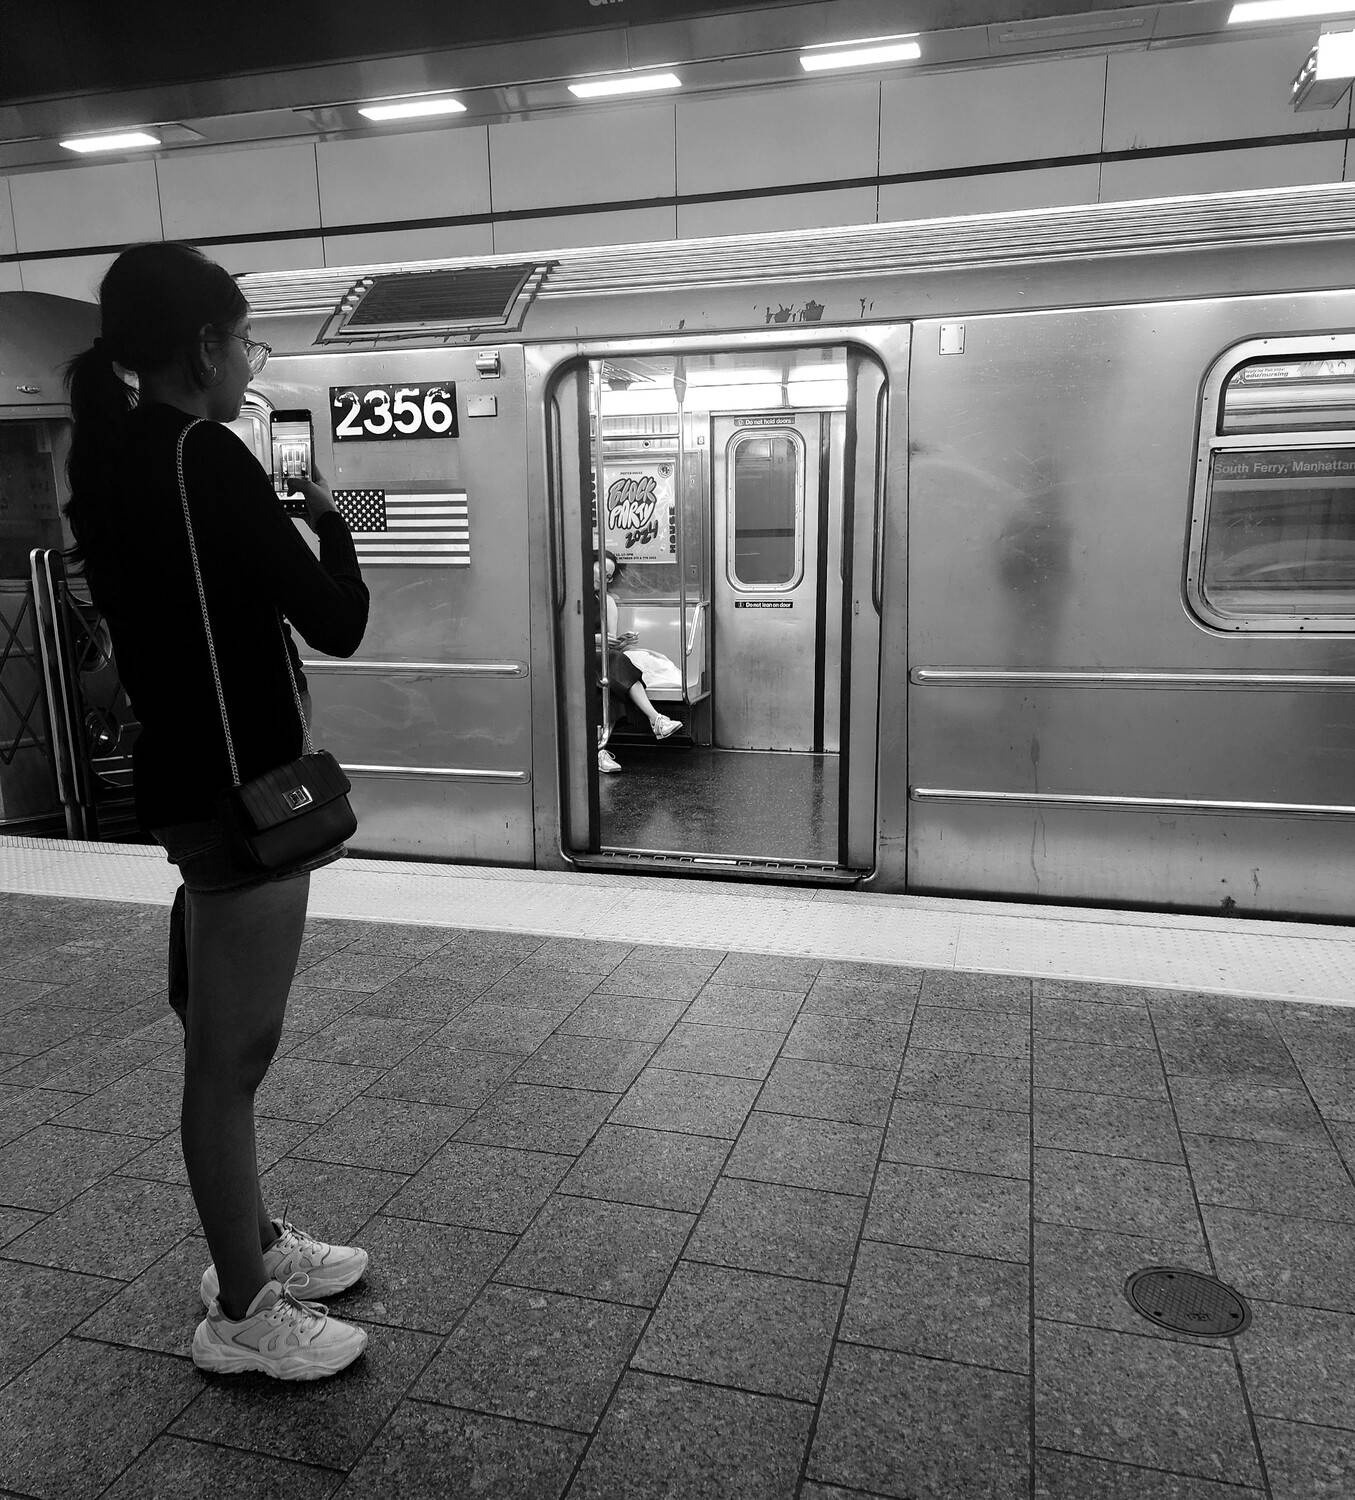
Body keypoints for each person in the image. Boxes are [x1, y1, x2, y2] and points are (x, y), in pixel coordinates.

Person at [64, 242, 371, 1381]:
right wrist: (330, 521)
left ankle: (251, 1243)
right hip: (245, 799)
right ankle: (242, 1309)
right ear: (203, 347)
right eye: (245, 341)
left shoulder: (121, 457)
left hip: (197, 786)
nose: (249, 361)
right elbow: (337, 620)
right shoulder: (205, 456)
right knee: (231, 1060)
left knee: (224, 1046)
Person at [594, 549, 681, 772]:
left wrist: (621, 641)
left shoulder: (606, 602)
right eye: (601, 570)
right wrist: (594, 639)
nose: (603, 578)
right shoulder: (569, 599)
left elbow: (609, 642)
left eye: (608, 576)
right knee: (610, 669)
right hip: (576, 656)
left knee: (609, 679)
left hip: (600, 657)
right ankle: (656, 719)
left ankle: (598, 749)